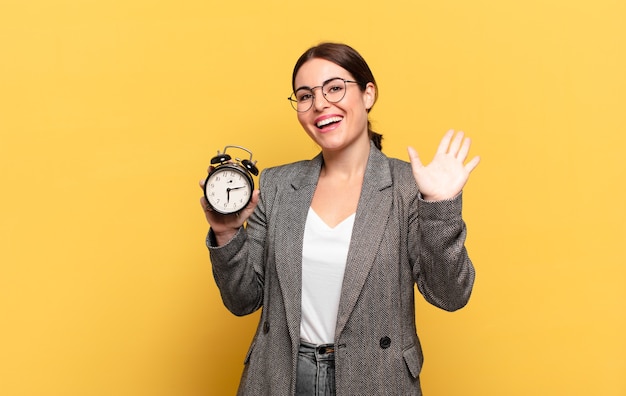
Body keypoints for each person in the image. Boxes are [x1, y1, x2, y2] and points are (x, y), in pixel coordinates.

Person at [200, 42, 480, 396]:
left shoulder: (409, 186)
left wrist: (440, 205)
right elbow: (242, 300)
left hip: (376, 378)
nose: (319, 104)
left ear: (367, 94)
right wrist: (226, 234)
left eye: (334, 88)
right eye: (305, 96)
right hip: (281, 376)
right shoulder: (276, 185)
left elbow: (450, 295)